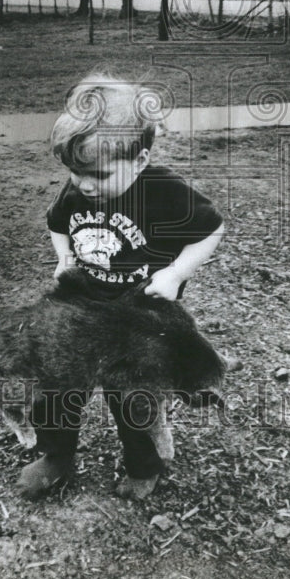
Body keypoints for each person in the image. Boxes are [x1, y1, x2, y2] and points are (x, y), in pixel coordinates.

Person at [18, 73, 225, 500]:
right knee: (56, 386)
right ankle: (56, 455)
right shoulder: (80, 189)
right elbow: (57, 223)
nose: (85, 184)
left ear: (141, 159)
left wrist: (175, 274)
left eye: (98, 174)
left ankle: (144, 465)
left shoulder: (164, 191)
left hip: (140, 320)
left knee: (134, 399)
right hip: (82, 313)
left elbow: (211, 230)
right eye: (75, 172)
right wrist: (64, 258)